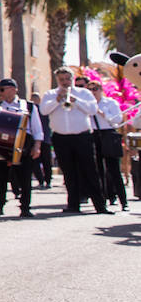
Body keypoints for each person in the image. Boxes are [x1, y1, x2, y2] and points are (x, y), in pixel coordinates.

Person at [39, 67, 110, 214]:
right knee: (69, 172)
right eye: (61, 80)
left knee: (90, 170)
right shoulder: (51, 94)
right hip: (61, 138)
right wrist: (57, 100)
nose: (65, 82)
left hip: (82, 136)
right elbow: (44, 110)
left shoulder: (83, 93)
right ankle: (73, 204)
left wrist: (75, 101)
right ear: (57, 80)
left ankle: (100, 205)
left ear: (72, 79)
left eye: (67, 79)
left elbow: (92, 109)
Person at [0, 79, 42, 218]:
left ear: (13, 89)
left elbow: (37, 129)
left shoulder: (28, 106)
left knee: (24, 177)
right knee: (2, 177)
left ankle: (25, 207)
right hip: (3, 142)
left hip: (23, 142)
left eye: (2, 89)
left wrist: (37, 146)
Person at [88, 80, 127, 212]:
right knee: (98, 170)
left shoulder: (110, 103)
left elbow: (118, 119)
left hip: (108, 134)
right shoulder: (87, 105)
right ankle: (102, 200)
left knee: (114, 170)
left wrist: (102, 113)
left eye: (95, 89)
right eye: (90, 89)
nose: (93, 92)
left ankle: (123, 201)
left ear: (101, 90)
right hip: (94, 135)